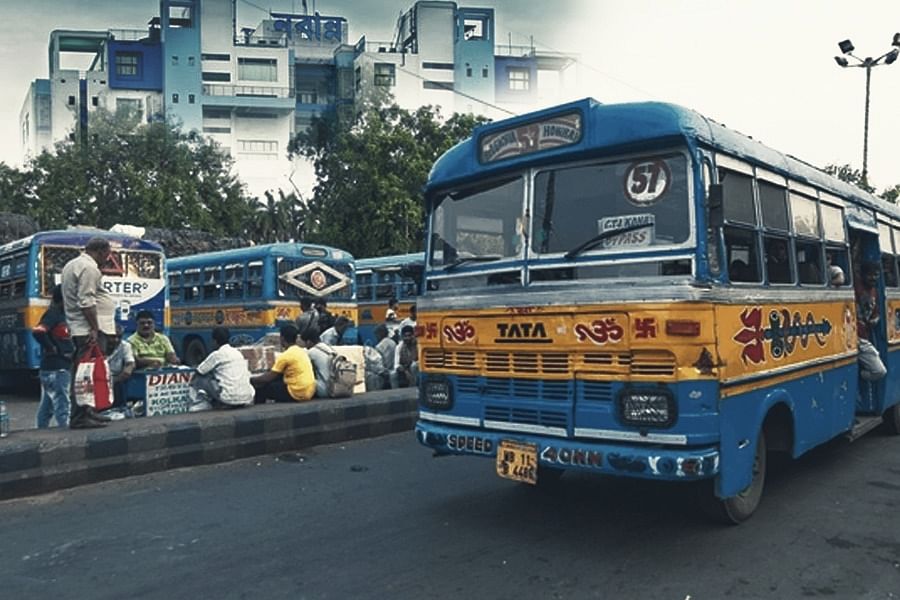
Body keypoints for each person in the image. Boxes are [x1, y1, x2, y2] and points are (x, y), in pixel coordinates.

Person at [61, 236, 116, 429]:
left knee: (87, 374)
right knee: (85, 374)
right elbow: (86, 301)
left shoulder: (73, 264)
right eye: (107, 255)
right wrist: (94, 327)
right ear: (101, 251)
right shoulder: (90, 268)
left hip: (81, 328)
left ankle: (88, 412)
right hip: (87, 329)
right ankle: (80, 417)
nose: (107, 259)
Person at [32, 284, 74, 428]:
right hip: (56, 367)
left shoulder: (63, 315)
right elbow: (38, 331)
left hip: (58, 366)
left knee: (48, 405)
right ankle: (65, 432)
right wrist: (51, 347)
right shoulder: (53, 314)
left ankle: (41, 431)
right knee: (62, 403)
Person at [191, 326, 254, 409]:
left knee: (201, 379)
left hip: (228, 397)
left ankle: (200, 401)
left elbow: (200, 371)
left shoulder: (217, 354)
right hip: (247, 396)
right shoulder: (237, 353)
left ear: (215, 341)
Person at [250, 324, 316, 403]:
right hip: (310, 391)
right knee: (278, 381)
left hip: (297, 392)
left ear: (282, 338)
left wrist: (251, 380)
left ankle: (260, 411)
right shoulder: (302, 351)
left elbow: (268, 377)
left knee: (262, 388)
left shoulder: (286, 355)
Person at [855, 261, 887, 381]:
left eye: (876, 275)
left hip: (864, 335)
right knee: (879, 371)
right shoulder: (856, 288)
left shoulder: (874, 291)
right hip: (857, 336)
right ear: (862, 275)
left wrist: (874, 320)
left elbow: (875, 313)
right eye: (870, 275)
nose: (873, 278)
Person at [106, 324, 135, 410]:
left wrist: (126, 372)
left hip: (116, 379)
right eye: (112, 337)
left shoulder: (125, 345)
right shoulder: (96, 345)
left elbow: (130, 363)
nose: (116, 340)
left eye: (119, 337)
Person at [300, 325, 332, 398]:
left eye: (305, 343)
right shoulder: (328, 348)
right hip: (335, 387)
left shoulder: (311, 352)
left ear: (308, 341)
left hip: (325, 390)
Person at [391, 325, 419, 389]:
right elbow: (396, 365)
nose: (407, 338)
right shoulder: (399, 347)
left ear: (413, 336)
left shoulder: (418, 345)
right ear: (402, 337)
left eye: (409, 335)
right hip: (404, 369)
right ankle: (396, 395)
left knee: (414, 366)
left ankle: (413, 389)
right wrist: (405, 371)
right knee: (392, 374)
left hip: (416, 369)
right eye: (405, 336)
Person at [373, 324, 396, 389]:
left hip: (386, 371)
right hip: (393, 369)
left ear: (380, 334)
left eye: (376, 335)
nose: (376, 337)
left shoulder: (379, 346)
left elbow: (379, 363)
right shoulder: (393, 342)